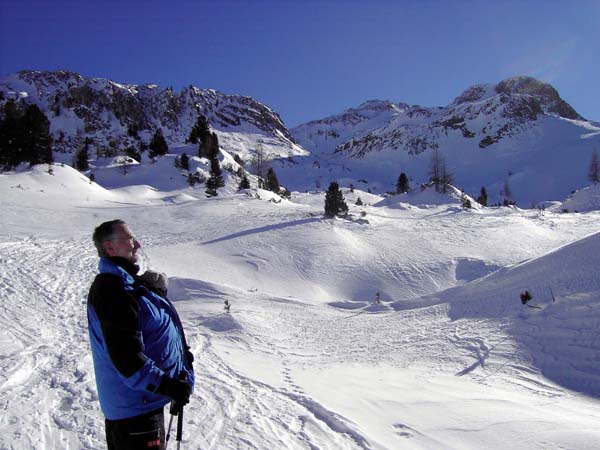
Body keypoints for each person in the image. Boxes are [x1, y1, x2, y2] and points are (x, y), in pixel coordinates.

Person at [87, 219, 194, 449]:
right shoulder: (113, 290)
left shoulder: (127, 285)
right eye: (130, 239)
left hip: (143, 403)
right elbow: (128, 360)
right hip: (135, 413)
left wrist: (155, 295)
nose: (137, 245)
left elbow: (152, 329)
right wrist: (168, 385)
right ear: (110, 247)